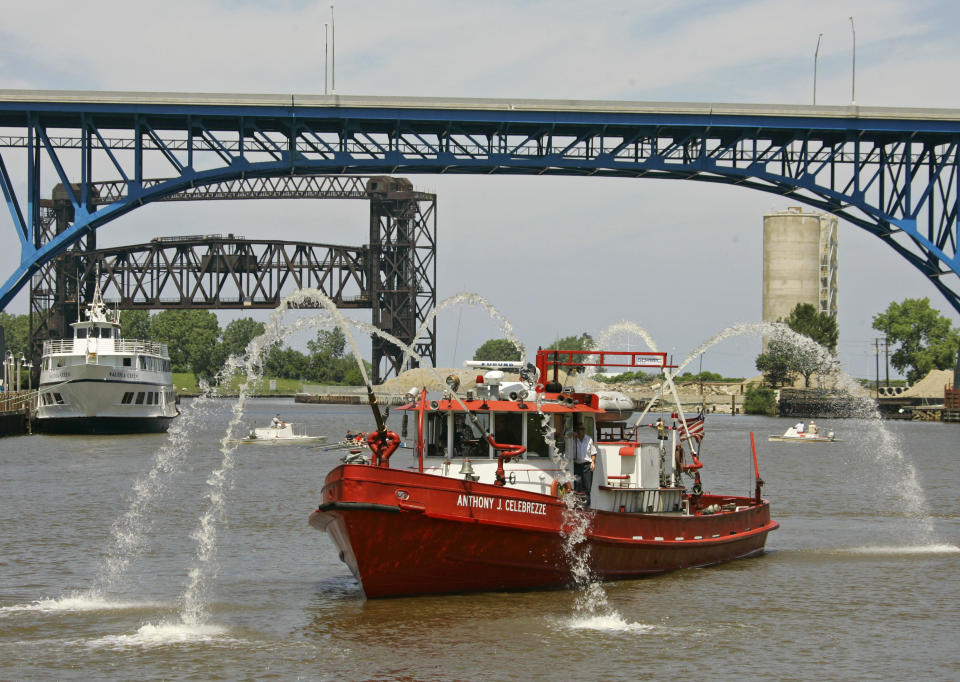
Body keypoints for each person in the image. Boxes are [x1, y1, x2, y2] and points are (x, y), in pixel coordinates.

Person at [571, 424, 598, 506]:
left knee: (587, 487)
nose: (581, 431)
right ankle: (577, 505)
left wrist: (593, 462)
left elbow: (593, 452)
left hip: (587, 465)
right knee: (577, 485)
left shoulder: (589, 439)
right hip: (577, 465)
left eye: (582, 429)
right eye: (579, 429)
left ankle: (587, 506)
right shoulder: (573, 439)